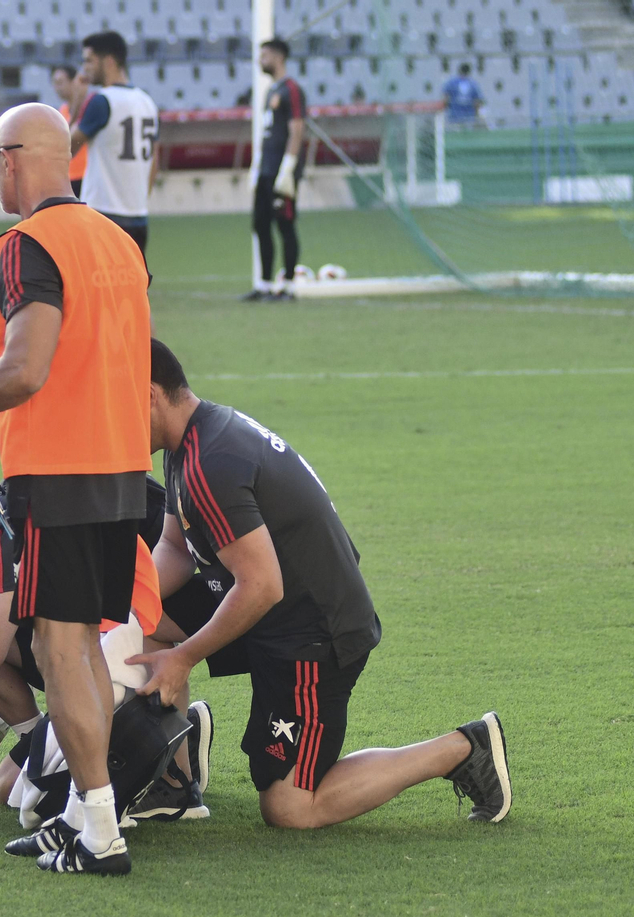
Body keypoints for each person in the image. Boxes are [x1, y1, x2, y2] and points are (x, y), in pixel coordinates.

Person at [127, 340, 513, 828]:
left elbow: (262, 585)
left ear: (148, 395)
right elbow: (176, 548)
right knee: (145, 625)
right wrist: (121, 605)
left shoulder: (210, 462)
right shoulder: (191, 442)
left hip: (313, 632)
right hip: (273, 609)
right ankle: (175, 780)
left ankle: (464, 747)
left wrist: (184, 658)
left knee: (289, 807)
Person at [0, 103, 153, 875]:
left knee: (60, 648)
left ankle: (99, 828)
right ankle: (90, 815)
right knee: (81, 642)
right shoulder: (119, 240)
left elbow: (25, 368)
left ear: (15, 160)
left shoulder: (23, 246)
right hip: (123, 468)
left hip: (59, 472)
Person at [0, 451, 211, 828]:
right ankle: (38, 739)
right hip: (93, 641)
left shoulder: (7, 529)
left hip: (129, 639)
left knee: (8, 789)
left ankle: (172, 754)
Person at [68, 32, 158, 255]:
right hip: (138, 215)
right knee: (133, 287)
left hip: (102, 213)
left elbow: (67, 147)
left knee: (95, 287)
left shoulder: (102, 100)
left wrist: (78, 102)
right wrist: (140, 198)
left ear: (108, 61)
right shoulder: (147, 101)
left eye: (89, 60)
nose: (84, 68)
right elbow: (154, 158)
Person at [244, 38, 307, 302]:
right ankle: (265, 285)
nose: (260, 60)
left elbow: (297, 129)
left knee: (285, 225)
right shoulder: (271, 91)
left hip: (282, 170)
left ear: (279, 57)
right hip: (266, 170)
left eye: (265, 55)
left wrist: (288, 169)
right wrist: (256, 166)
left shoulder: (291, 89)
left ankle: (289, 286)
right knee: (260, 225)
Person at [49, 64, 89, 197]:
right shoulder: (63, 109)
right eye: (54, 83)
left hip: (85, 175)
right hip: (68, 177)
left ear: (73, 82)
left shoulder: (87, 107)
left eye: (60, 83)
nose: (57, 88)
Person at [443, 63, 486, 128]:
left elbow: (445, 99)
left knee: (455, 135)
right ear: (469, 71)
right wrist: (477, 116)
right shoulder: (473, 84)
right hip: (469, 116)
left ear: (459, 70)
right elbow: (477, 102)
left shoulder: (451, 82)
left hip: (454, 116)